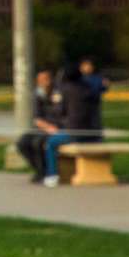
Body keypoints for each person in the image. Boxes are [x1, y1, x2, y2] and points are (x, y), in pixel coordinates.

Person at [48, 57, 107, 186]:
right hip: (94, 133)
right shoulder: (89, 89)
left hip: (74, 132)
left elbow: (60, 111)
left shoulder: (66, 90)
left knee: (51, 143)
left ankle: (52, 175)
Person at [15, 68, 64, 184]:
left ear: (51, 79)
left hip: (58, 128)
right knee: (22, 142)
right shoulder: (37, 94)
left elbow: (63, 114)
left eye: (46, 79)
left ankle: (46, 172)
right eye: (41, 80)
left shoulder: (59, 93)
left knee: (37, 143)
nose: (44, 82)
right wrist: (46, 127)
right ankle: (39, 170)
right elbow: (37, 118)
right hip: (43, 128)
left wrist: (54, 128)